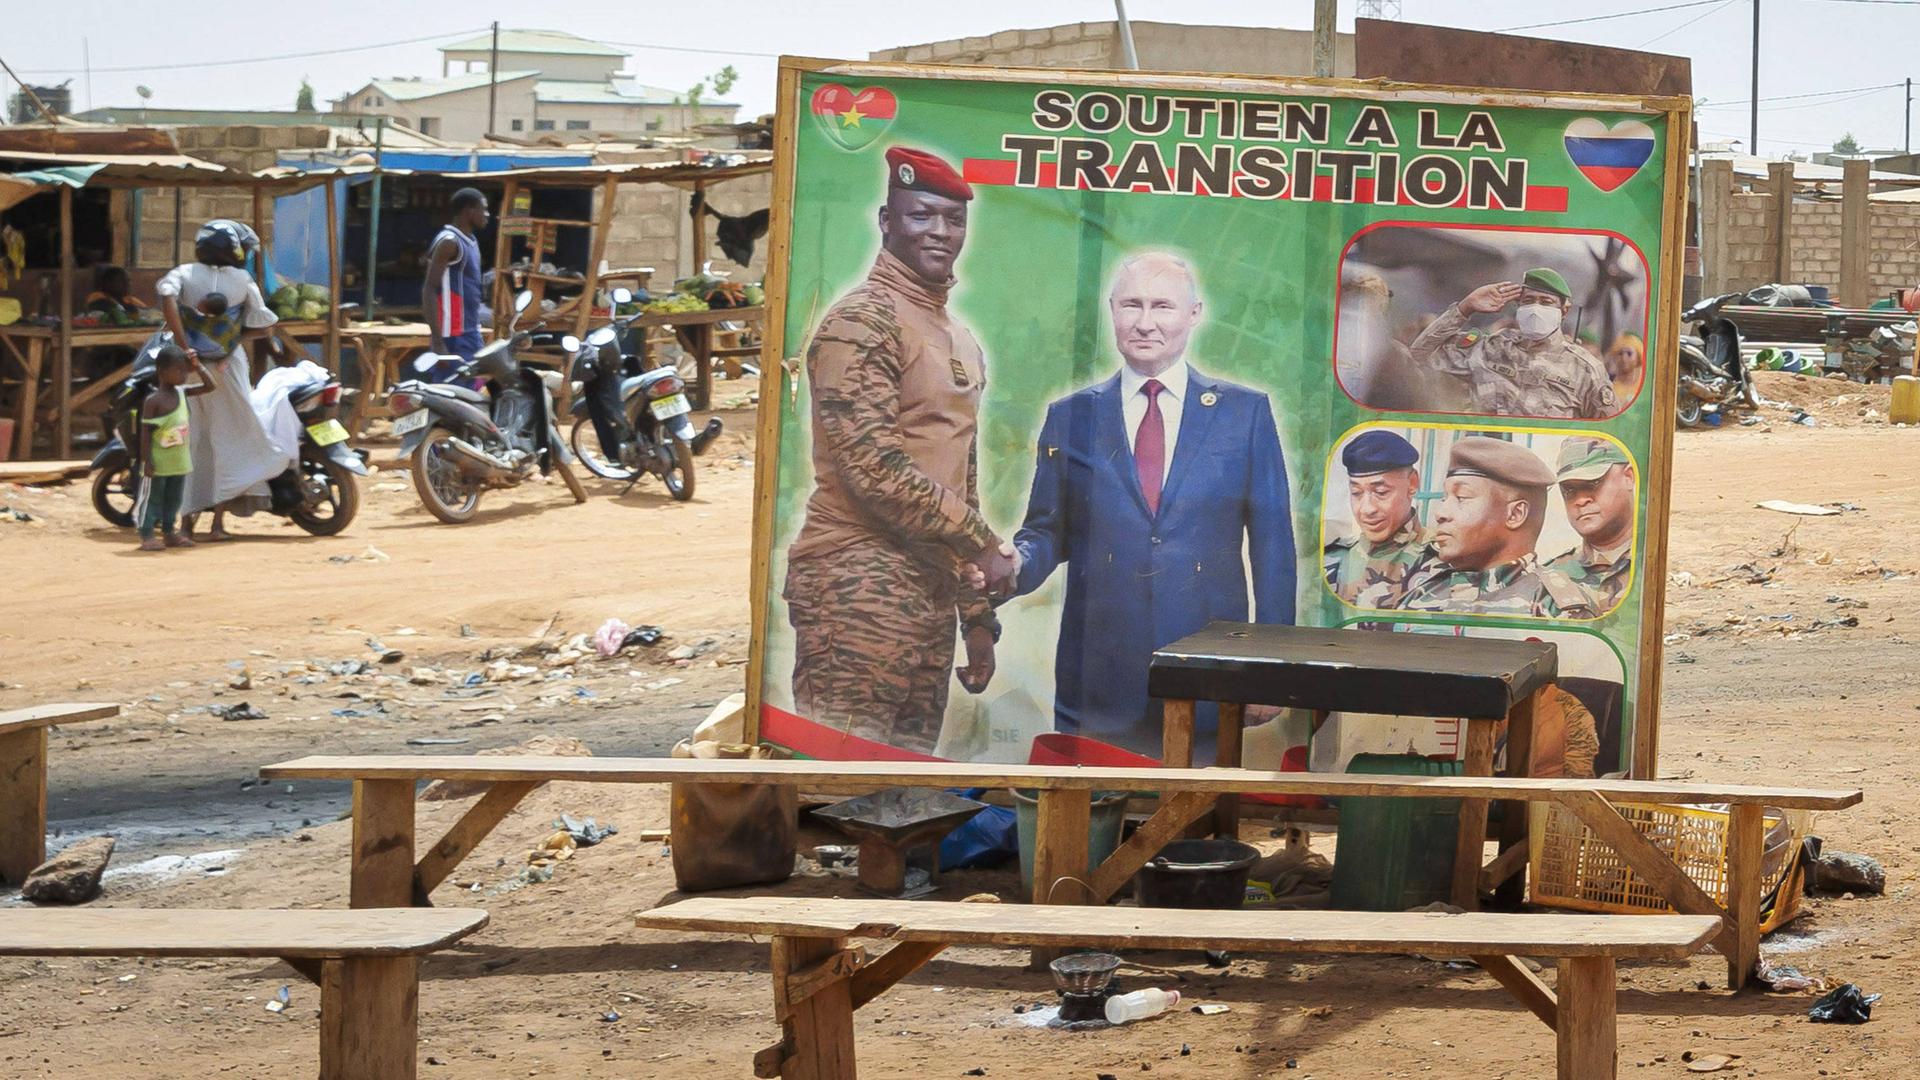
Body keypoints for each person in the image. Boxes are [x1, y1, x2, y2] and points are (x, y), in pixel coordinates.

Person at [1005, 251, 1295, 759]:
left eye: (1161, 306)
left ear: (1193, 314)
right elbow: (1048, 530)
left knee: (1199, 825)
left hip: (1207, 671)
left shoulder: (1245, 413)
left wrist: (1268, 668)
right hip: (1097, 676)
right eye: (1130, 305)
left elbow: (1274, 549)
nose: (1144, 323)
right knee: (1088, 825)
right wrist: (1015, 564)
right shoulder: (1071, 416)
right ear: (1111, 311)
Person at [782, 148, 1013, 755]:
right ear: (887, 221)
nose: (940, 232)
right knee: (843, 782)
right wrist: (985, 543)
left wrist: (977, 618)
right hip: (856, 582)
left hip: (928, 590)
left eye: (953, 219)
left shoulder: (955, 335)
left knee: (905, 795)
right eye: (921, 216)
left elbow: (956, 484)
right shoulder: (861, 322)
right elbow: (874, 470)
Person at [156, 220, 285, 541]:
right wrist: (231, 339)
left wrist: (186, 345)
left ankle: (186, 523)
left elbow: (166, 297)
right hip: (230, 367)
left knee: (189, 438)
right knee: (231, 437)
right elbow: (265, 324)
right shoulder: (243, 279)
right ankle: (217, 525)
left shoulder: (184, 273)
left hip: (186, 367)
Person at [1396, 436, 1599, 619]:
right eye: (1444, 498)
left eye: (1461, 498)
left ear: (1515, 514)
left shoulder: (1557, 608)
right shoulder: (1417, 598)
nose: (1441, 513)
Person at [1408, 268, 1618, 419]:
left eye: (1546, 302)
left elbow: (1608, 426)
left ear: (1564, 311)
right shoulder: (1491, 348)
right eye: (1528, 301)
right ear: (1517, 307)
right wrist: (1465, 308)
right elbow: (1419, 355)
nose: (1536, 308)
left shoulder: (1585, 369)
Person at [1324, 430, 1433, 608]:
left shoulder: (1443, 560)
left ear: (1412, 484)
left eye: (1381, 492)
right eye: (1356, 493)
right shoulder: (1333, 560)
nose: (1367, 509)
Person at [134, 345, 216, 551]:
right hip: (158, 462)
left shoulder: (182, 393)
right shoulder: (153, 401)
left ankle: (170, 533)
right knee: (152, 500)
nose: (184, 374)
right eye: (178, 370)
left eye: (185, 370)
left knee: (173, 500)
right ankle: (147, 535)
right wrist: (146, 461)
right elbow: (145, 433)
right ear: (162, 373)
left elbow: (210, 386)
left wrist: (198, 366)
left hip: (179, 462)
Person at [1543, 437, 1636, 611]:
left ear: (1628, 477)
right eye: (1569, 489)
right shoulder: (1550, 577)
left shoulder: (1655, 561)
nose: (1580, 500)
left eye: (1594, 483)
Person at [423, 188, 491, 383]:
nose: (487, 214)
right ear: (469, 210)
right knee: (452, 395)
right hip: (452, 336)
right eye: (483, 209)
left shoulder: (470, 240)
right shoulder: (449, 242)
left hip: (470, 331)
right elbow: (429, 289)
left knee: (474, 389)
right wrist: (437, 341)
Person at [1604, 332, 1645, 403]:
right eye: (1620, 353)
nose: (1624, 358)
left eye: (1629, 353)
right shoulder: (1608, 384)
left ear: (1638, 357)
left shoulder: (1645, 384)